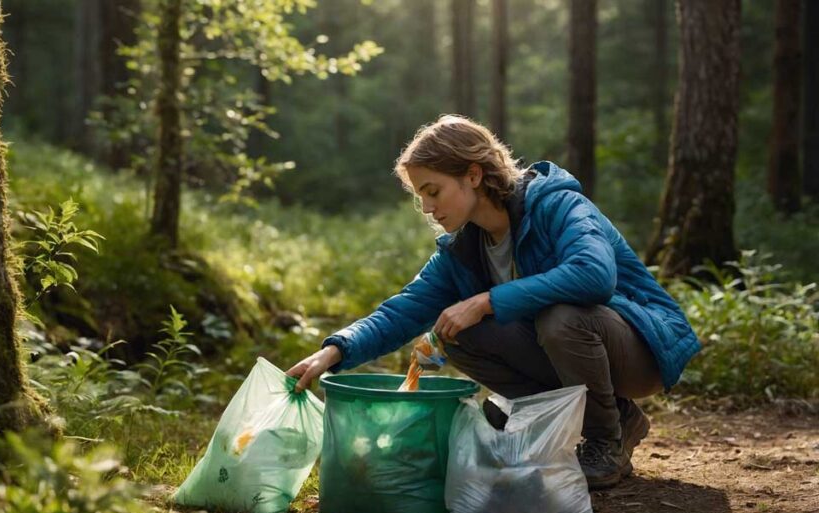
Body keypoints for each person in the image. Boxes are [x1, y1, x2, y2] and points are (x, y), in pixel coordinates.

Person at [286, 115, 700, 489]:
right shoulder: (463, 249)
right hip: (575, 353)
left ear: (472, 174)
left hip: (642, 348)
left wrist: (487, 299)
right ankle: (617, 416)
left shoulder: (557, 204)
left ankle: (603, 443)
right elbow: (403, 309)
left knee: (561, 317)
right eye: (420, 197)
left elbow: (594, 275)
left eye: (433, 191)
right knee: (458, 333)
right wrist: (333, 351)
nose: (427, 208)